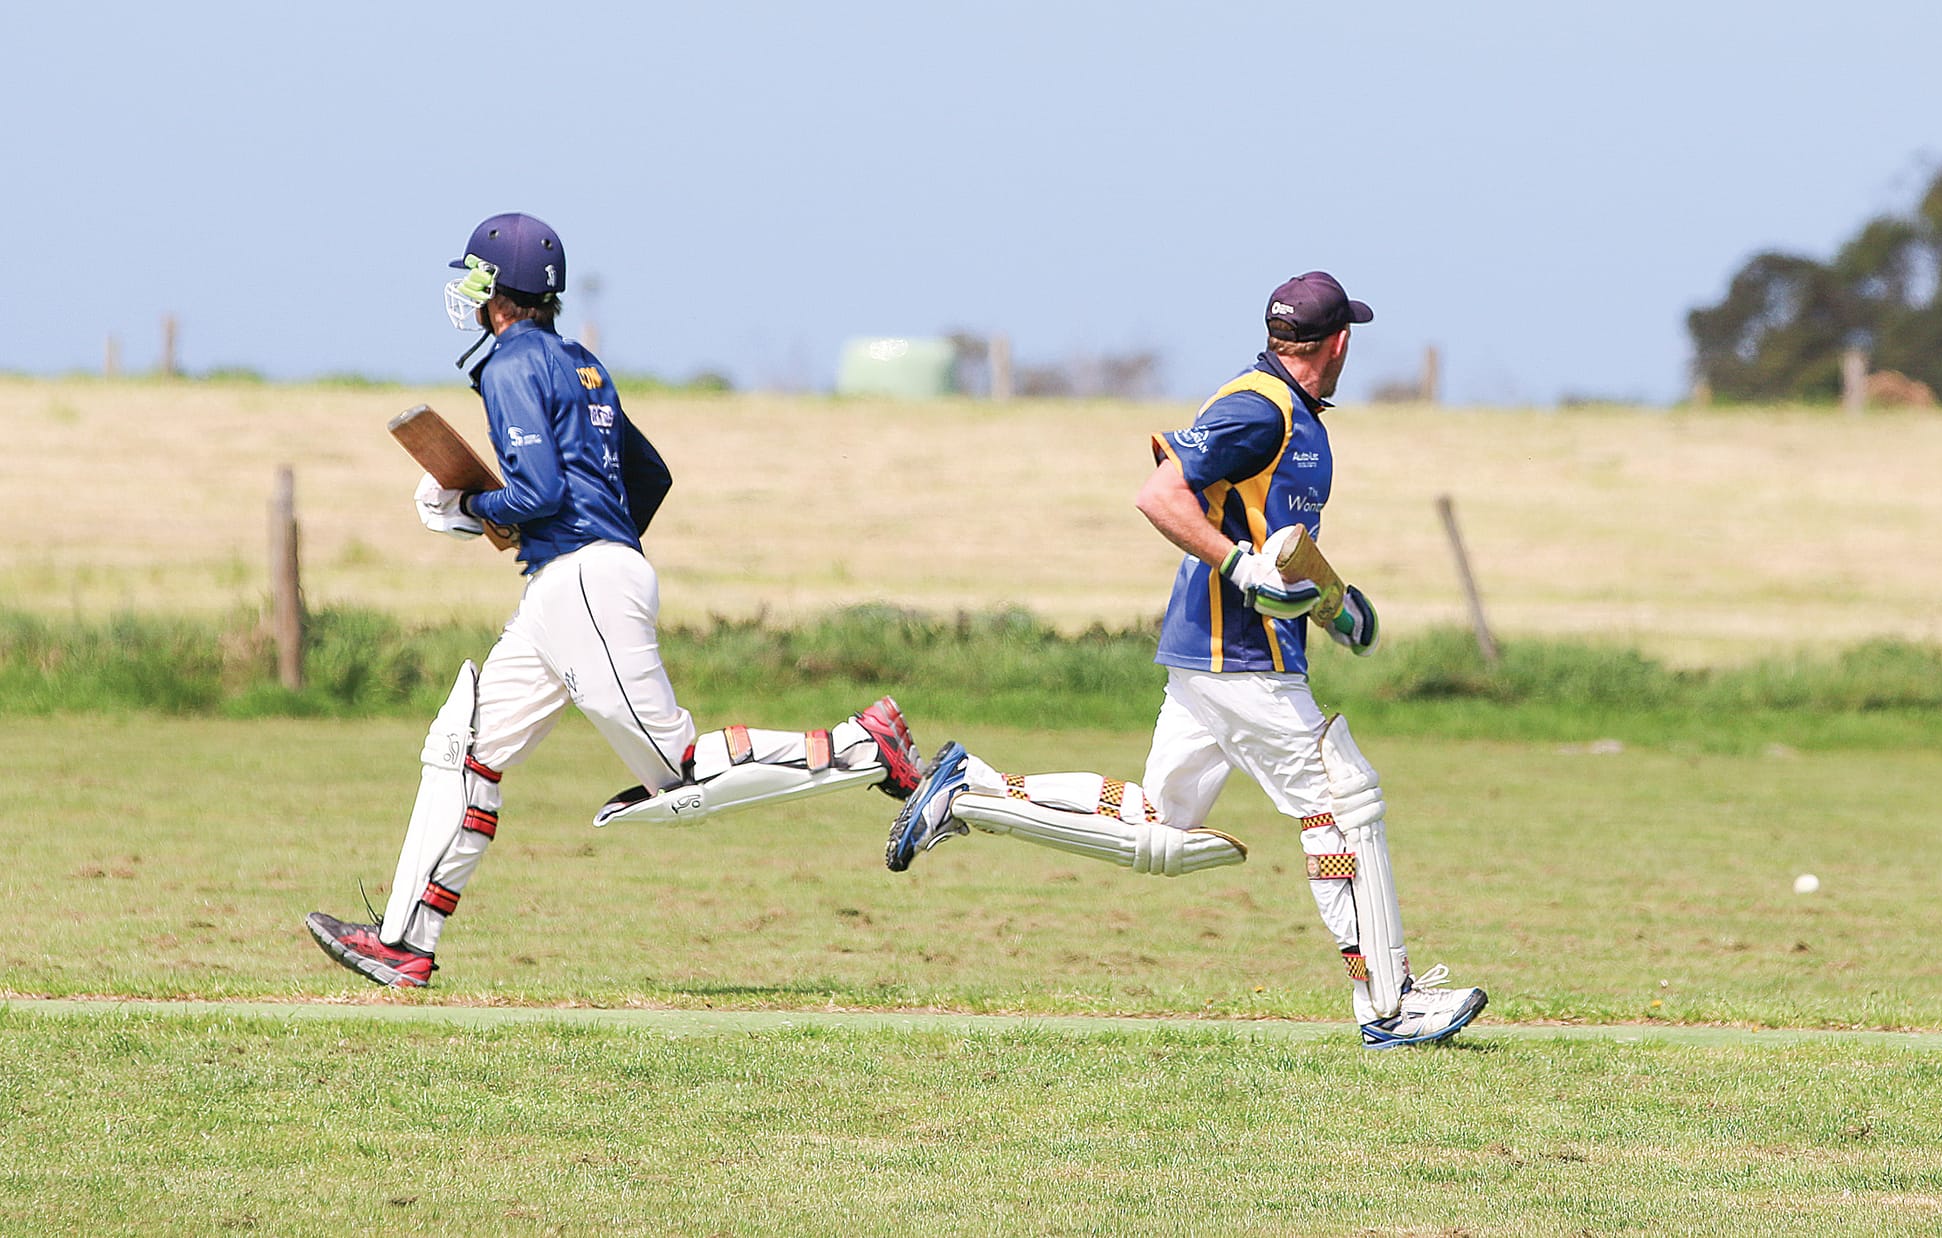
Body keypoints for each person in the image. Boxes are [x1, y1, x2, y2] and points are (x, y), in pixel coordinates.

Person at [307, 212, 922, 988]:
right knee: (464, 752)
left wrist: (474, 512)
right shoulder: (583, 363)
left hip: (582, 580)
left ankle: (864, 746)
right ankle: (402, 942)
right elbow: (650, 475)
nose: (468, 293)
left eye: (477, 278)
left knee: (680, 772)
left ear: (501, 294)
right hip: (572, 583)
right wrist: (597, 540)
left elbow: (536, 489)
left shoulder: (508, 365)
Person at [885, 272, 1485, 1048]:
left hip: (1225, 655)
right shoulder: (1256, 408)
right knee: (1343, 800)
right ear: (1340, 342)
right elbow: (1162, 495)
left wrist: (1335, 606)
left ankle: (970, 791)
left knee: (1161, 828)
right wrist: (1241, 569)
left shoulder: (1295, 418)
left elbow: (1283, 549)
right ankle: (1391, 1004)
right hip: (1237, 656)